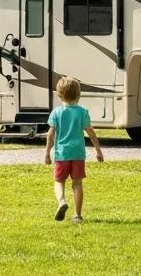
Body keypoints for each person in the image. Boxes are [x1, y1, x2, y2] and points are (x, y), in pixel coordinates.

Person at [44, 75, 104, 223]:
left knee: (59, 181)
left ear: (59, 95)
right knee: (77, 184)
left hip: (62, 154)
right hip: (78, 154)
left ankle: (62, 201)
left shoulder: (56, 113)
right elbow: (91, 132)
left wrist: (47, 153)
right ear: (79, 95)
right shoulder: (82, 112)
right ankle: (77, 215)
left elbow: (50, 135)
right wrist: (98, 150)